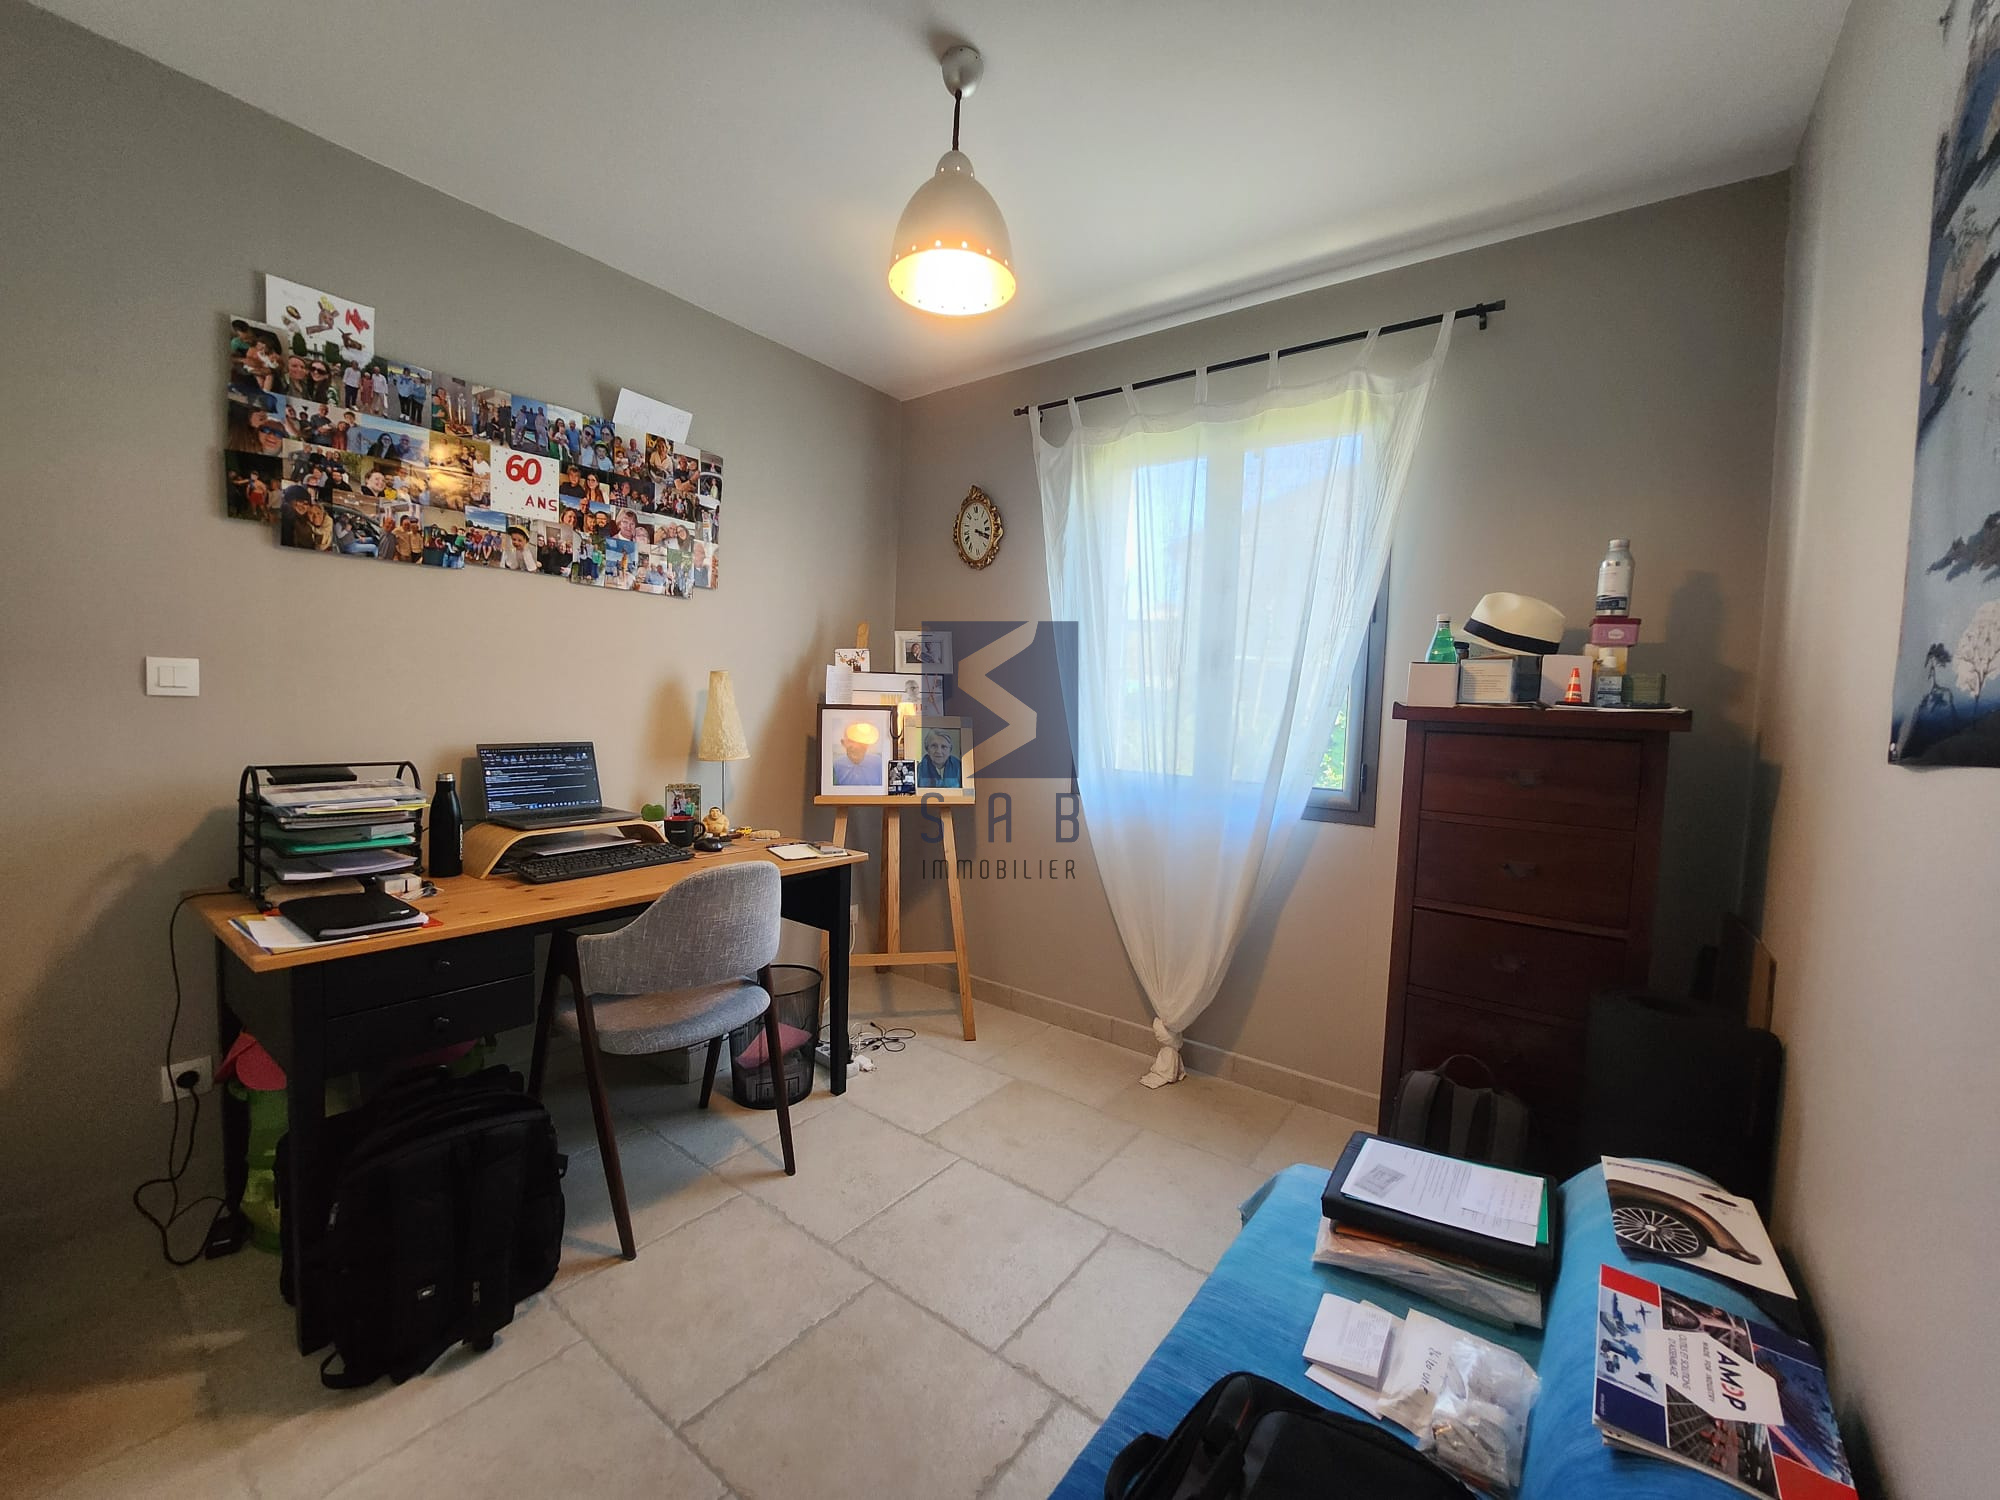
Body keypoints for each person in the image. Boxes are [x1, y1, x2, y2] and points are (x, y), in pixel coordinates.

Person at [832, 721, 884, 787]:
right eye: (851, 741)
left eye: (861, 741)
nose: (856, 746)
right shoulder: (836, 766)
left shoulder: (879, 763)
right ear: (843, 743)